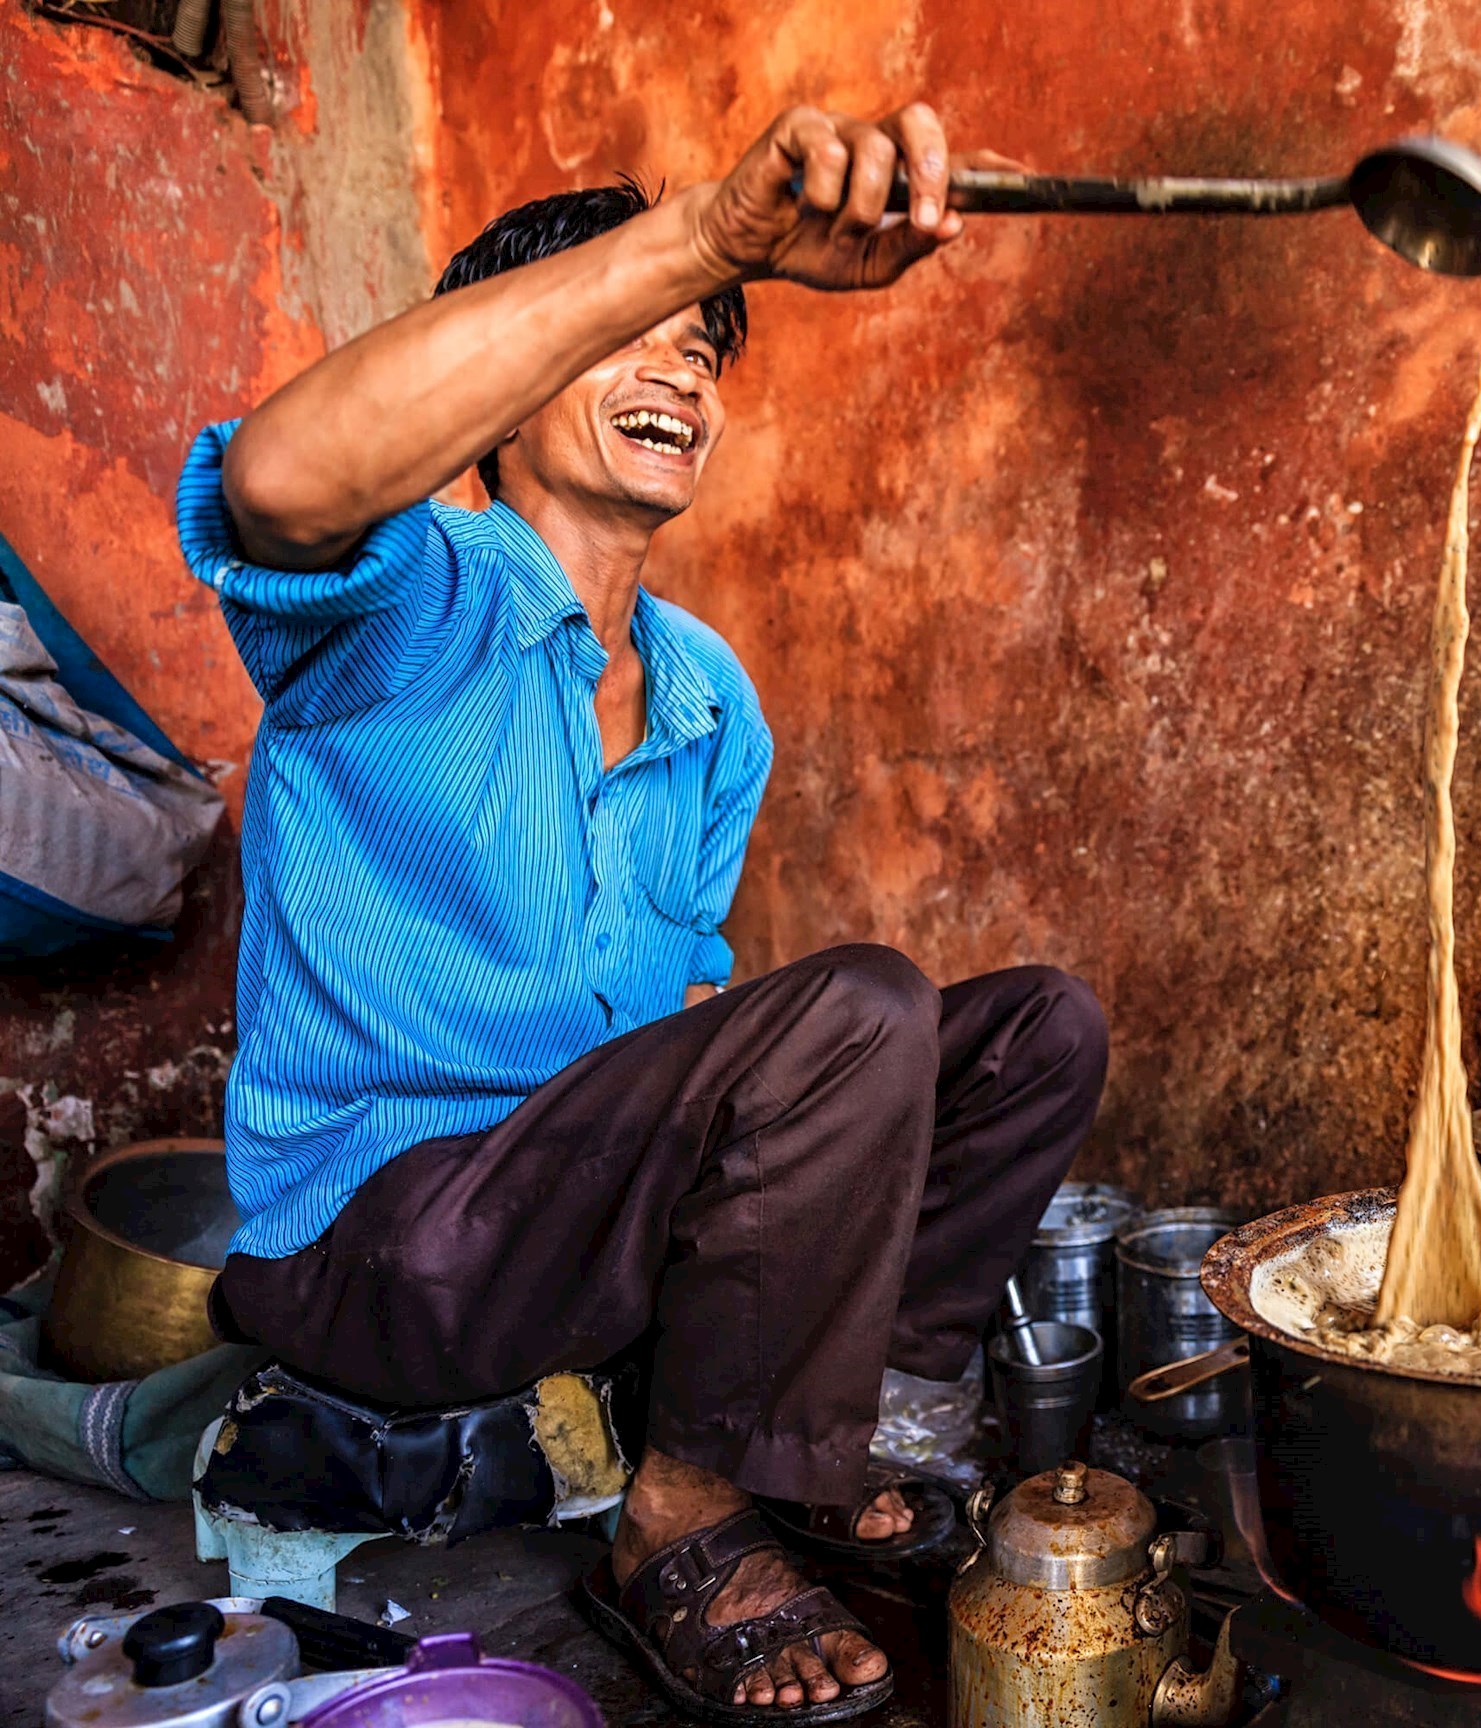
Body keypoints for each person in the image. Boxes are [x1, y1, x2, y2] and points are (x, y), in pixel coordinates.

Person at [177, 105, 1100, 1721]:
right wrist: (694, 234)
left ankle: (817, 1439)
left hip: (578, 1210)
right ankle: (676, 1518)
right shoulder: (412, 591)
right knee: (860, 1005)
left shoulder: (705, 695)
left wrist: (784, 1089)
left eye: (706, 349)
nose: (680, 371)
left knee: (1031, 1033)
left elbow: (680, 1013)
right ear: (507, 381)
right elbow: (276, 472)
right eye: (628, 337)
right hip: (383, 1242)